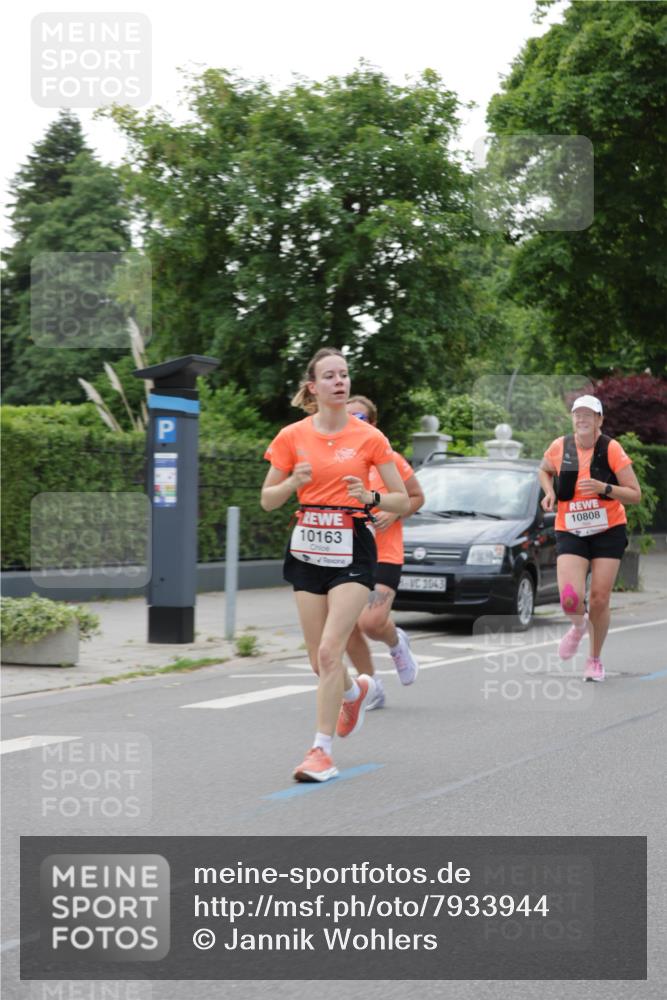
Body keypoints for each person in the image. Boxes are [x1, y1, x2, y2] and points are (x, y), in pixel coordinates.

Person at [261, 348, 410, 781]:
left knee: (330, 650)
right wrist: (293, 481)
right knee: (318, 661)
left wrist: (371, 497)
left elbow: (402, 499)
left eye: (344, 374)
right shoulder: (291, 436)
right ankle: (354, 692)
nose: (340, 381)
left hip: (353, 547)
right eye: (329, 376)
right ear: (313, 386)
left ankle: (320, 753)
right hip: (308, 546)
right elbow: (267, 500)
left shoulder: (370, 438)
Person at [538, 394, 642, 681]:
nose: (582, 419)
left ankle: (594, 660)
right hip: (571, 529)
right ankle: (577, 626)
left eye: (588, 415)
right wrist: (549, 491)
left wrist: (604, 488)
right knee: (570, 599)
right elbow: (544, 470)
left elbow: (635, 494)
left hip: (608, 530)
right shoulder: (561, 447)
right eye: (578, 414)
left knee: (598, 599)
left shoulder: (611, 449)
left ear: (599, 420)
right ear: (573, 419)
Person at [343, 396, 425, 712]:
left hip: (384, 553)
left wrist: (394, 513)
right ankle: (372, 687)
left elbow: (416, 496)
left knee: (372, 622)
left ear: (372, 424)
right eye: (348, 417)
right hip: (347, 554)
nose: (354, 422)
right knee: (346, 626)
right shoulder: (336, 461)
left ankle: (395, 641)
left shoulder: (388, 459)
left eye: (360, 417)